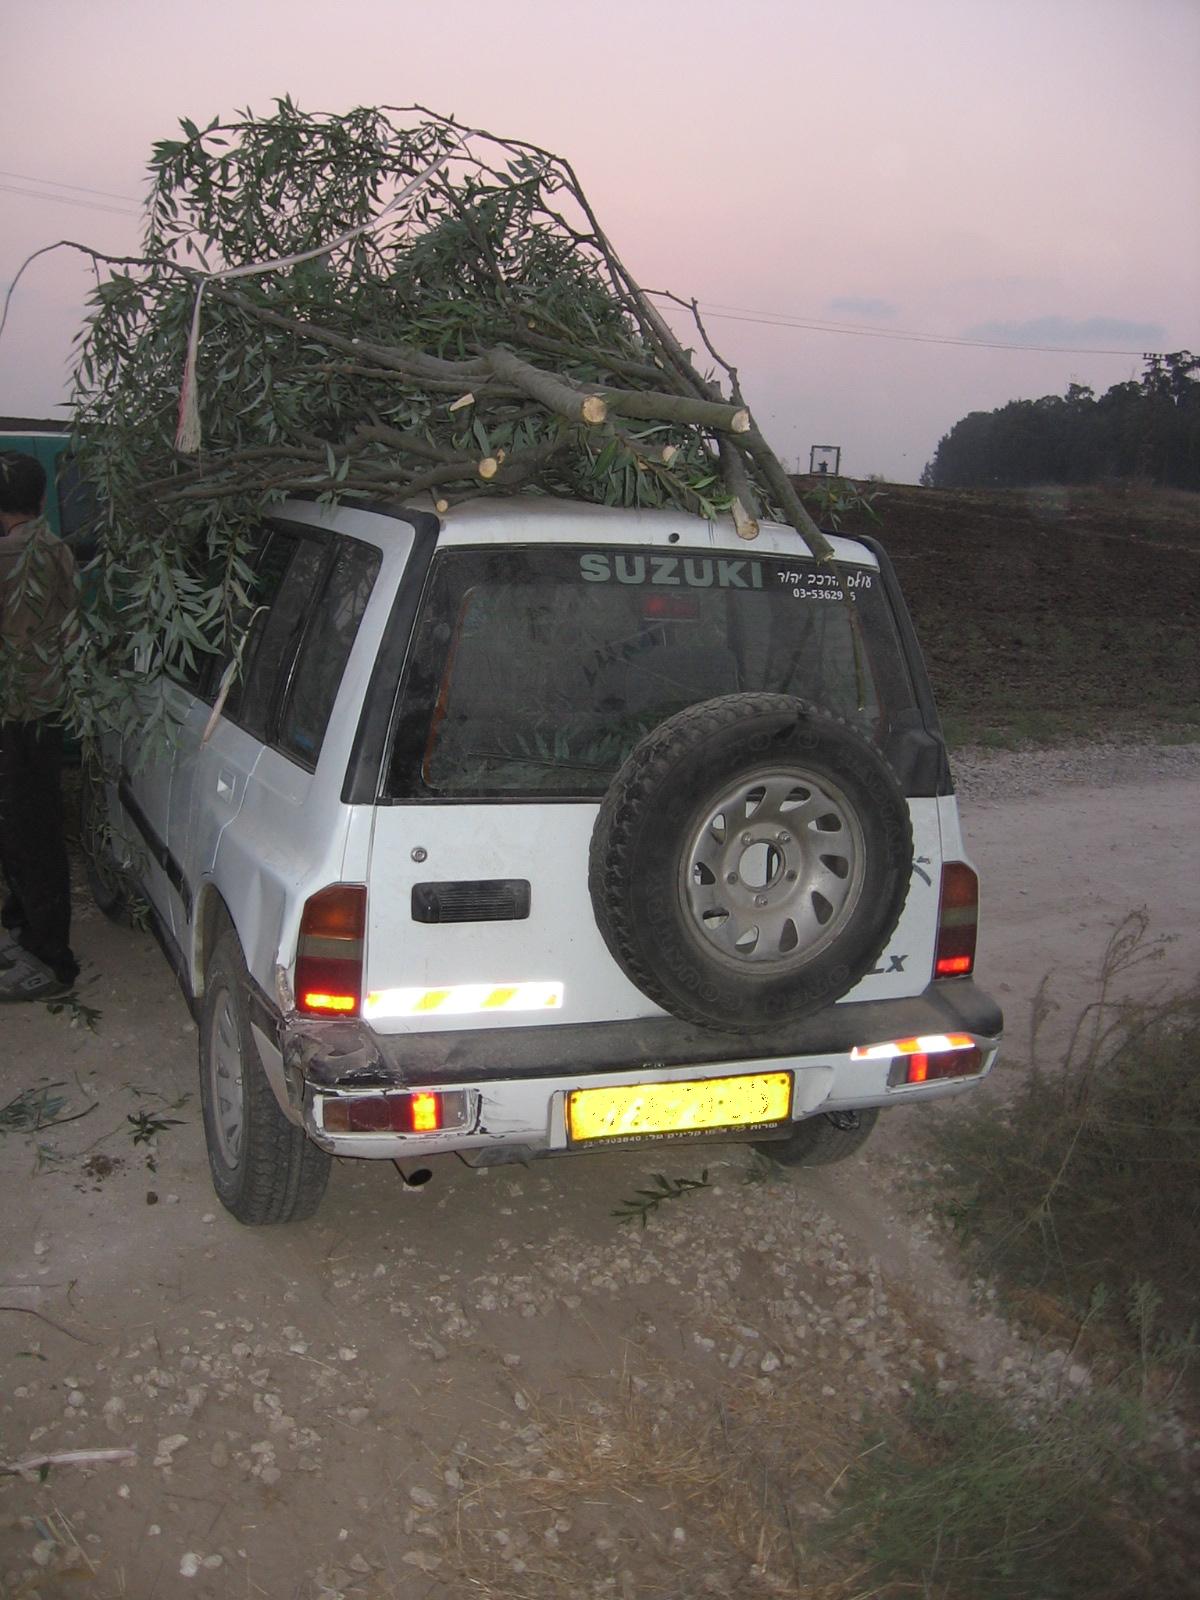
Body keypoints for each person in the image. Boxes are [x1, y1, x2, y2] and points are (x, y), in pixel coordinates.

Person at [0, 450, 80, 1001]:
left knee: (28, 834)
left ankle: (52, 959)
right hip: (45, 708)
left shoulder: (9, 556)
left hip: (15, 714)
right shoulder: (56, 548)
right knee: (34, 826)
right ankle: (25, 925)